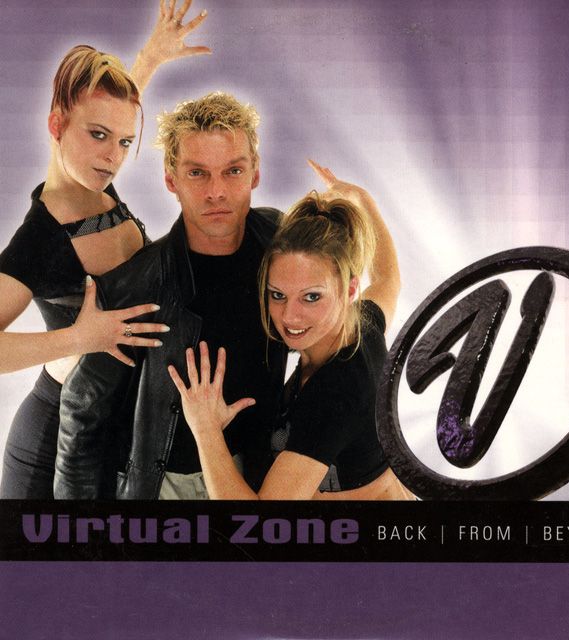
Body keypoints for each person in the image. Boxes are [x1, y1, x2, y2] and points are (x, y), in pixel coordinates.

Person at [0, 0, 211, 499]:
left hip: (109, 430)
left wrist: (150, 57)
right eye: (98, 137)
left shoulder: (95, 184)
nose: (113, 157)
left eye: (124, 142)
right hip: (49, 443)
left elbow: (108, 112)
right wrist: (78, 338)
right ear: (56, 126)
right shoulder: (41, 236)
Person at [54, 91, 288, 500]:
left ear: (255, 172)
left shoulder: (281, 241)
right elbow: (82, 412)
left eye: (233, 171)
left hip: (258, 468)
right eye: (197, 173)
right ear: (171, 179)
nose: (216, 192)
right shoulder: (135, 284)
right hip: (167, 484)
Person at [168, 162, 412, 499]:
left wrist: (206, 430)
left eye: (311, 297)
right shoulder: (362, 325)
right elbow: (388, 278)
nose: (290, 316)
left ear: (350, 289)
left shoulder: (334, 394)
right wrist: (361, 198)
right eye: (278, 295)